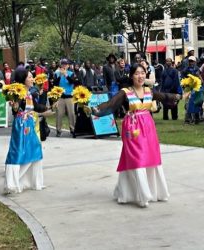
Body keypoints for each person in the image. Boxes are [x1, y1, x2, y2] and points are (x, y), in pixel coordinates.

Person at [89, 63, 180, 207]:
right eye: (137, 73)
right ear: (131, 76)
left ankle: (148, 192)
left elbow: (164, 97)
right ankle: (143, 195)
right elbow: (110, 104)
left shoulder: (149, 91)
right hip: (132, 128)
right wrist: (94, 109)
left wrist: (176, 96)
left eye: (143, 73)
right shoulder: (125, 92)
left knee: (151, 157)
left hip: (148, 128)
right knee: (137, 158)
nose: (140, 76)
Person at [4, 68, 49, 193]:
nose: (32, 79)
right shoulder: (17, 93)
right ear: (22, 79)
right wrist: (15, 106)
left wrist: (49, 109)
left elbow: (35, 106)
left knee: (35, 150)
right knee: (18, 152)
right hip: (21, 125)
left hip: (31, 124)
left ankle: (34, 182)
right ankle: (11, 184)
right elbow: (15, 109)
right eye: (29, 77)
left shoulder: (29, 93)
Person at [53, 58, 76, 137]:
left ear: (68, 65)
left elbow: (72, 81)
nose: (64, 66)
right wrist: (60, 75)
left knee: (71, 113)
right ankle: (58, 130)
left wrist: (66, 75)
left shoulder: (71, 73)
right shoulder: (57, 73)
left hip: (69, 96)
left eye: (65, 64)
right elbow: (55, 83)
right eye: (62, 64)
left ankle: (72, 129)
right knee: (59, 114)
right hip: (60, 97)